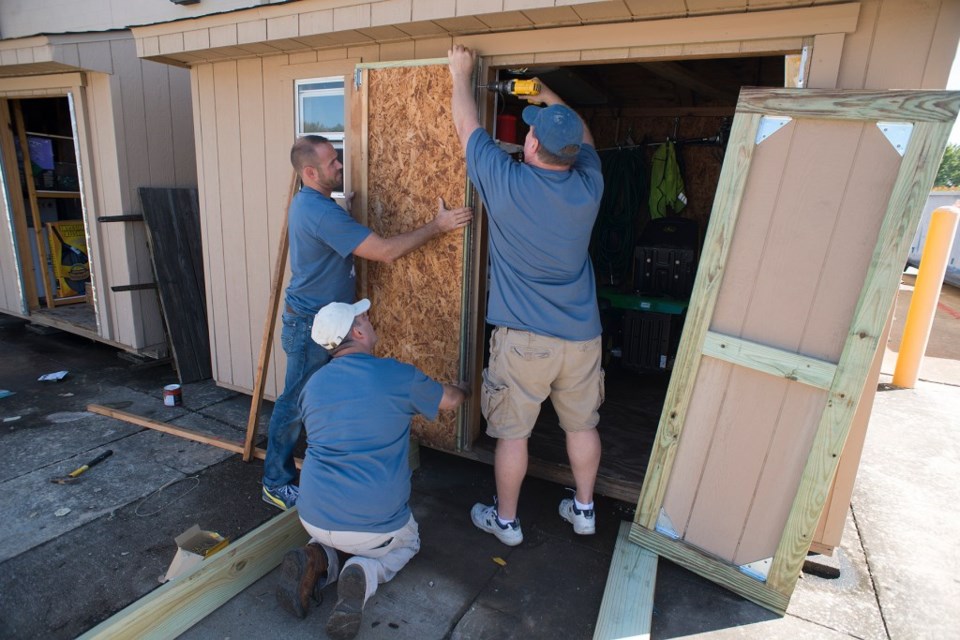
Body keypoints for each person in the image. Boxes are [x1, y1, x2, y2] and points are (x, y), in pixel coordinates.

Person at [261, 135, 472, 510]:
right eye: (332, 163)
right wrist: (438, 226)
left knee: (320, 397)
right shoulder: (321, 212)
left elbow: (330, 228)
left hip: (326, 318)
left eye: (337, 158)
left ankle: (321, 468)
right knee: (294, 404)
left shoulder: (316, 203)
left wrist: (345, 210)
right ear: (310, 172)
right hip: (313, 324)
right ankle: (276, 482)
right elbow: (386, 252)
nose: (340, 165)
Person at [447, 45, 605, 546]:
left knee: (512, 433)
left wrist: (461, 74)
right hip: (582, 339)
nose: (529, 134)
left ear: (531, 148)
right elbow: (583, 134)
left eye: (532, 131)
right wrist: (538, 91)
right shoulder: (589, 185)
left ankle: (507, 522)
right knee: (582, 425)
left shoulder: (507, 181)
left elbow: (467, 127)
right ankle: (584, 511)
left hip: (524, 342)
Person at [274, 299, 467, 640]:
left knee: (337, 537)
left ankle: (317, 557)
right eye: (363, 316)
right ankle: (364, 573)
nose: (369, 318)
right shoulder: (397, 376)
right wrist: (465, 388)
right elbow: (449, 400)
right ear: (358, 332)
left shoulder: (312, 386)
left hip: (313, 514)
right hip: (375, 526)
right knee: (408, 543)